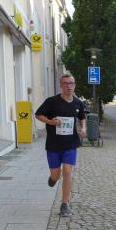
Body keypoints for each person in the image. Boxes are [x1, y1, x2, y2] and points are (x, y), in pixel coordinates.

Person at [34, 73, 86, 216]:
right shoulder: (51, 101)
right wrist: (50, 122)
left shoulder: (78, 103)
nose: (68, 86)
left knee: (68, 172)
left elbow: (82, 117)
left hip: (71, 143)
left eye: (71, 83)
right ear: (61, 85)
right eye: (65, 83)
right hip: (54, 144)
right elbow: (38, 115)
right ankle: (53, 178)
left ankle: (65, 204)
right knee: (56, 175)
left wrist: (83, 128)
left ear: (74, 85)